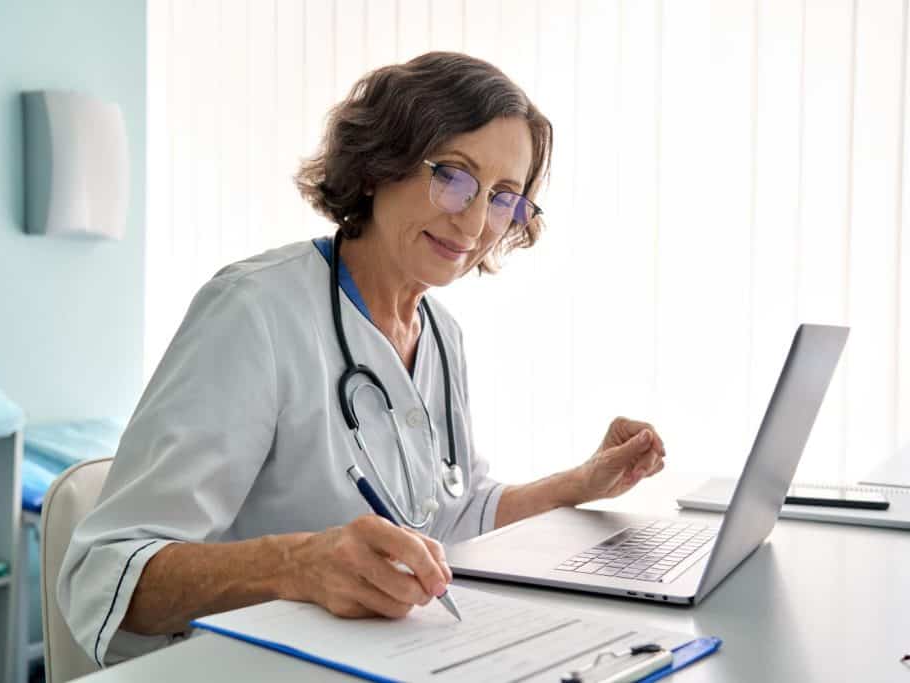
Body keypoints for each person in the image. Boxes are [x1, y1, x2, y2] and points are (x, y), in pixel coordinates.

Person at [58, 51, 667, 666]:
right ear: (380, 165)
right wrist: (295, 565)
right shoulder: (254, 312)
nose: (477, 221)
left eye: (504, 196)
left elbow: (451, 519)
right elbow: (103, 576)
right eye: (453, 176)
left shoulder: (440, 332)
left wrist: (579, 484)